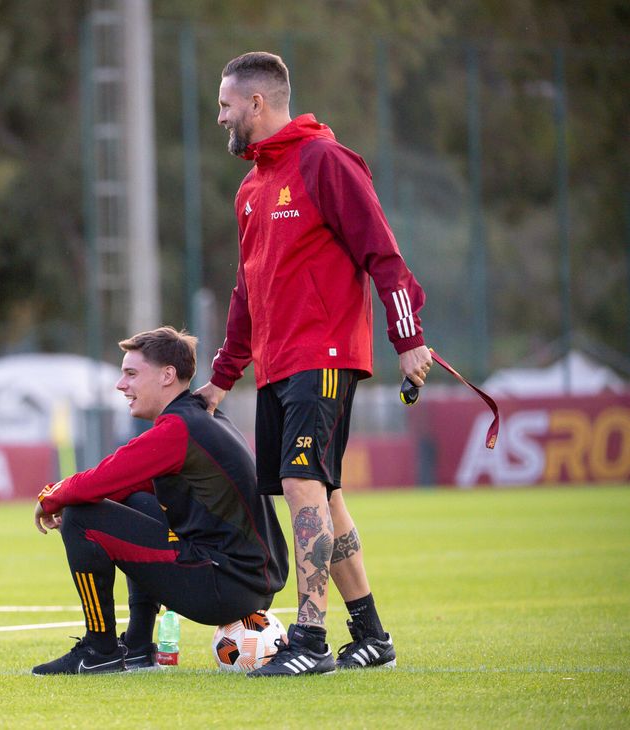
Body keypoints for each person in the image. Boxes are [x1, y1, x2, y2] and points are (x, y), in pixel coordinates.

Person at [194, 51, 433, 677]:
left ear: (256, 104)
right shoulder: (249, 189)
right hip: (277, 365)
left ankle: (310, 639)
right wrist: (221, 380)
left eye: (225, 106)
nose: (220, 117)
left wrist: (407, 336)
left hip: (324, 355)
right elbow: (247, 292)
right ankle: (371, 633)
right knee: (322, 492)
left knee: (304, 484)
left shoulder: (324, 161)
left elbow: (384, 253)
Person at [31, 326, 289, 675]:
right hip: (246, 582)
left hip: (224, 586)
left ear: (168, 375)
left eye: (131, 374)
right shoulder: (201, 417)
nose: (121, 385)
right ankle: (138, 647)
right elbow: (131, 486)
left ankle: (99, 649)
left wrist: (54, 497)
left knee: (80, 516)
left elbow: (105, 476)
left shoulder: (179, 428)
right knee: (135, 503)